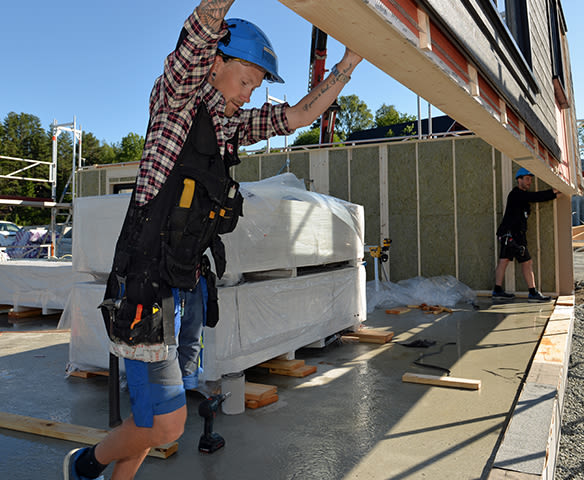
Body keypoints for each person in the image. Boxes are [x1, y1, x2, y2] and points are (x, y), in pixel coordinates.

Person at [63, 1, 362, 479]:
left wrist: (347, 64)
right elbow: (200, 33)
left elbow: (299, 115)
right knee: (166, 426)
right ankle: (84, 465)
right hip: (146, 286)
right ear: (215, 62)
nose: (248, 94)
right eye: (245, 80)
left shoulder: (228, 127)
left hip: (183, 286)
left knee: (152, 418)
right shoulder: (177, 100)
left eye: (256, 87)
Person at [491, 167, 560, 302]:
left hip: (511, 235)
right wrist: (554, 193)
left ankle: (498, 290)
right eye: (527, 179)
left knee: (505, 261)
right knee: (526, 262)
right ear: (519, 180)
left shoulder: (521, 197)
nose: (529, 182)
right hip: (512, 236)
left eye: (530, 180)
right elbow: (535, 197)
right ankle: (532, 293)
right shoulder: (516, 194)